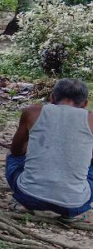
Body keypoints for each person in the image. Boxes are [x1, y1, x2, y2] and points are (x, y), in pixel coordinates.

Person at [7, 78, 93, 223]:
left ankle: (23, 205)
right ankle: (73, 214)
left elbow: (16, 150)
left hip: (28, 196)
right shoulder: (91, 119)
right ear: (85, 104)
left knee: (12, 157)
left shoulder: (32, 112)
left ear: (52, 98)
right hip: (73, 204)